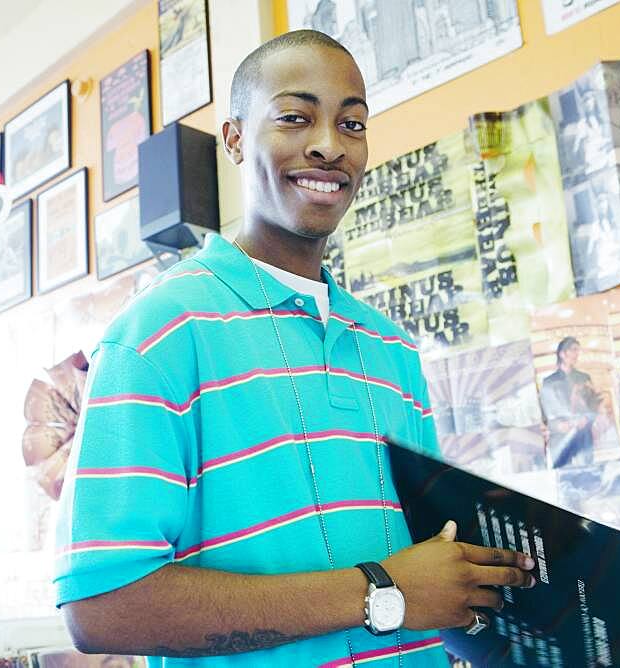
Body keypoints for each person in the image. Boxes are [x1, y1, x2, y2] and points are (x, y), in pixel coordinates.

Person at [55, 31, 535, 667]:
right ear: (233, 140)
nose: (329, 145)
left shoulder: (391, 346)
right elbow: (101, 607)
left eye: (353, 123)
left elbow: (425, 563)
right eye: (295, 117)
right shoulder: (158, 333)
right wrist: (380, 593)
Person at [539, 337, 599, 468]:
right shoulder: (549, 382)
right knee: (563, 477)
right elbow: (545, 412)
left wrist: (586, 419)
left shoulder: (584, 378)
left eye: (578, 350)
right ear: (562, 354)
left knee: (587, 473)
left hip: (582, 434)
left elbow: (594, 404)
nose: (577, 354)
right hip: (560, 437)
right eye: (573, 350)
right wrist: (556, 426)